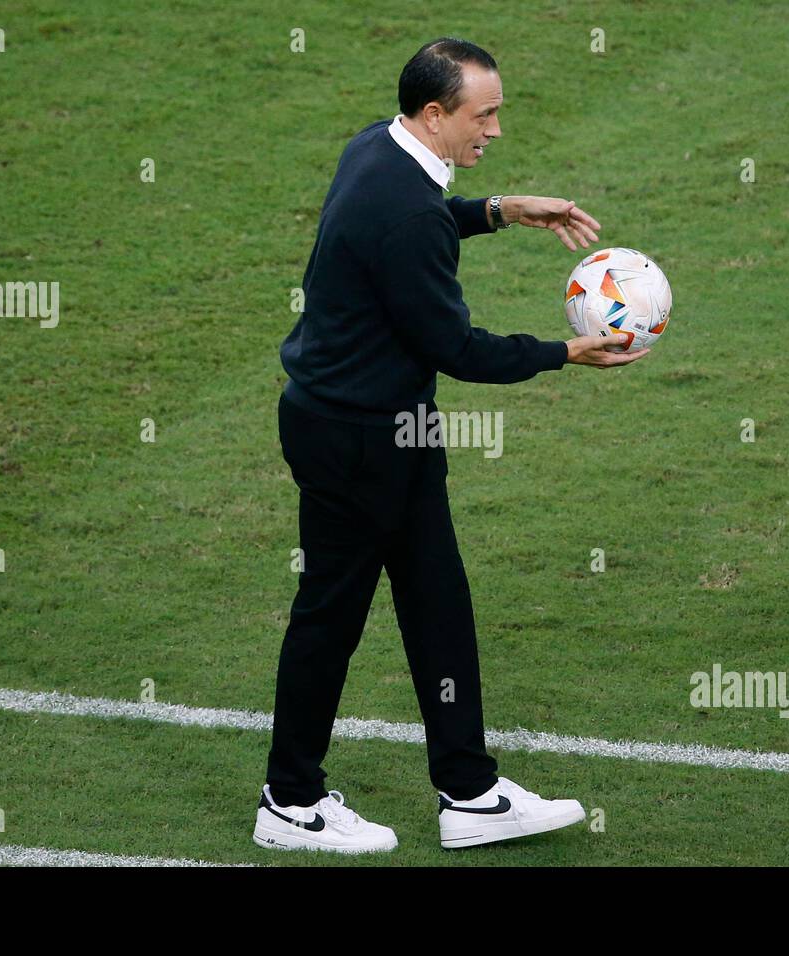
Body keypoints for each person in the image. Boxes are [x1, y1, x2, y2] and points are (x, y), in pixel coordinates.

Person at [255, 36, 650, 854]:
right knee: (330, 616)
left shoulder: (378, 146)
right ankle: (290, 802)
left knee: (437, 600)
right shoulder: (405, 213)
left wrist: (500, 210)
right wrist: (567, 351)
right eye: (485, 113)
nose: (496, 129)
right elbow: (459, 349)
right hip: (361, 441)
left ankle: (468, 791)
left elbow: (417, 226)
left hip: (376, 426)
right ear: (435, 114)